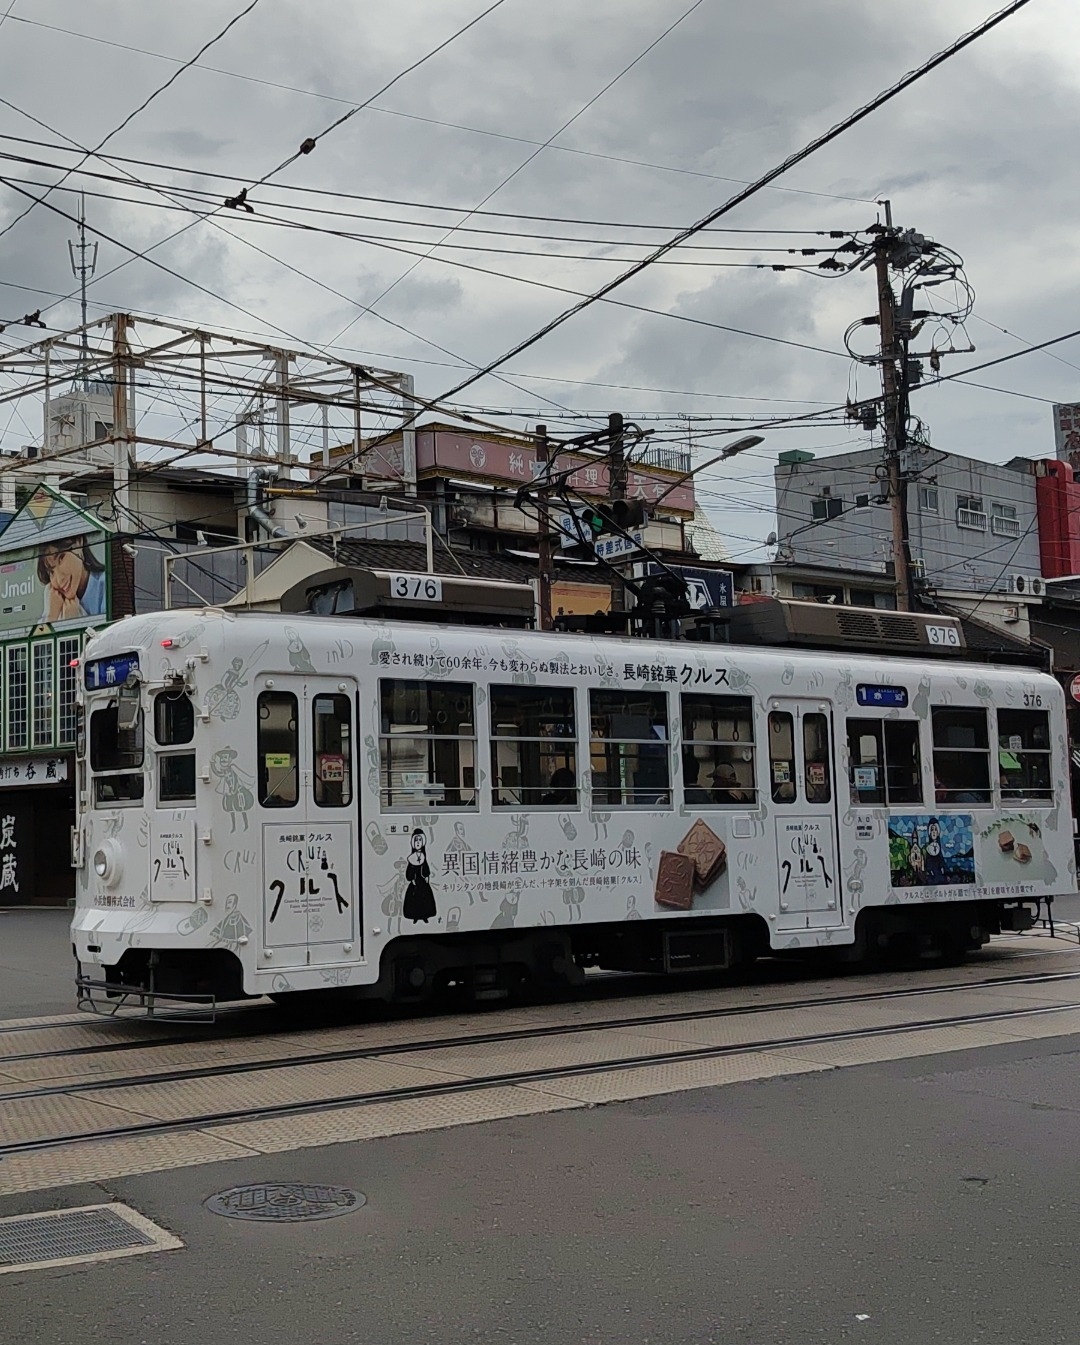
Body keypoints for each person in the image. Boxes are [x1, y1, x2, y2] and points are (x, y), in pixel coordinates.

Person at [37, 536, 105, 623]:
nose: (59, 579)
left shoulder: (107, 586)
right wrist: (51, 616)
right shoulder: (53, 596)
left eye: (61, 558)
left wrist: (72, 622)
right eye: (51, 571)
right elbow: (39, 634)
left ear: (78, 543)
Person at [402, 829, 436, 923]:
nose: (418, 842)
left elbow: (425, 867)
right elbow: (409, 869)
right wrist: (411, 878)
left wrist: (427, 875)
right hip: (415, 881)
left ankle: (424, 916)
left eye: (420, 840)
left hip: (422, 881)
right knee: (415, 899)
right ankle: (415, 917)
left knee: (424, 898)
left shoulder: (423, 856)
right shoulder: (412, 857)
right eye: (416, 840)